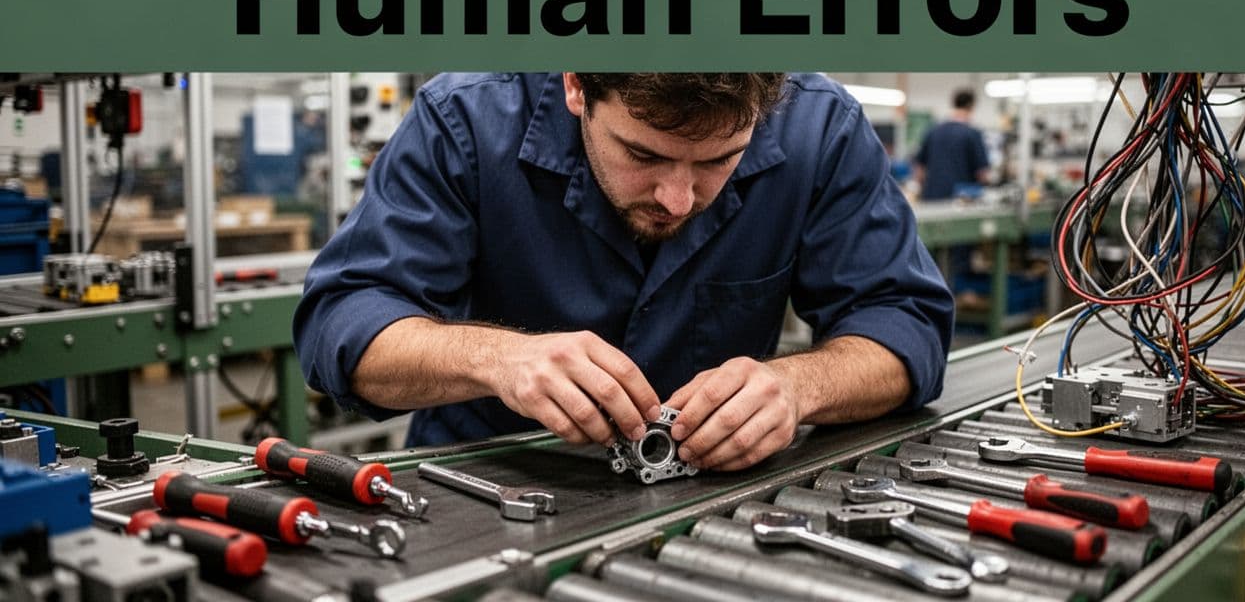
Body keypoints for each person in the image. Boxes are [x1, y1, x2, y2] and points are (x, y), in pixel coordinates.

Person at [293, 70, 953, 471]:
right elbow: (341, 324)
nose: (677, 198)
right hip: (485, 489)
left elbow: (906, 324)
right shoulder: (465, 118)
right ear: (576, 84)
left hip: (714, 499)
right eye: (644, 153)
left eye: (719, 160)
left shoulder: (822, 127)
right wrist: (498, 359)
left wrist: (800, 385)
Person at [914, 88, 991, 201]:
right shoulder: (972, 134)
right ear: (971, 105)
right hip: (961, 200)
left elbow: (919, 170)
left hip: (931, 198)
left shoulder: (933, 131)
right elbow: (982, 174)